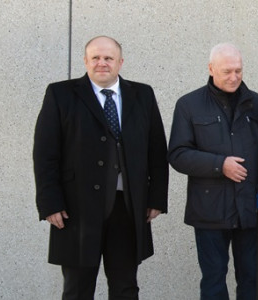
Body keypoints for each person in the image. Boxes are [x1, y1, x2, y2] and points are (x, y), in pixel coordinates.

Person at [34, 35, 169, 299]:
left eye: (108, 58)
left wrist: (156, 197)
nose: (102, 63)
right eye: (95, 57)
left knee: (125, 286)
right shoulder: (60, 94)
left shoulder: (142, 94)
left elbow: (157, 150)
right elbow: (45, 154)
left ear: (120, 62)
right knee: (77, 289)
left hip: (128, 208)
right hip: (76, 209)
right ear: (85, 61)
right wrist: (50, 202)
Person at [167, 43, 258, 300]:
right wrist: (219, 165)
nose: (234, 77)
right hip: (209, 210)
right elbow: (178, 155)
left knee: (252, 279)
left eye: (238, 71)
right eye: (226, 71)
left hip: (249, 209)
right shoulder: (189, 105)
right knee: (213, 280)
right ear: (211, 69)